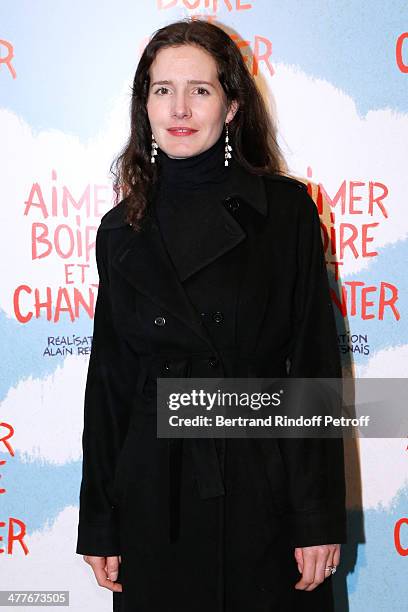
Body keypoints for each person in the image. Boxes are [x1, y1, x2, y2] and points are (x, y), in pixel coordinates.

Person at [76, 18, 347, 612]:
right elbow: (111, 385)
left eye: (199, 89)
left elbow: (312, 368)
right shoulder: (120, 231)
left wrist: (315, 515)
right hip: (154, 493)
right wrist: (100, 519)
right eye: (161, 89)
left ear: (231, 107)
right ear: (142, 105)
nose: (178, 107)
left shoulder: (284, 212)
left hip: (260, 481)